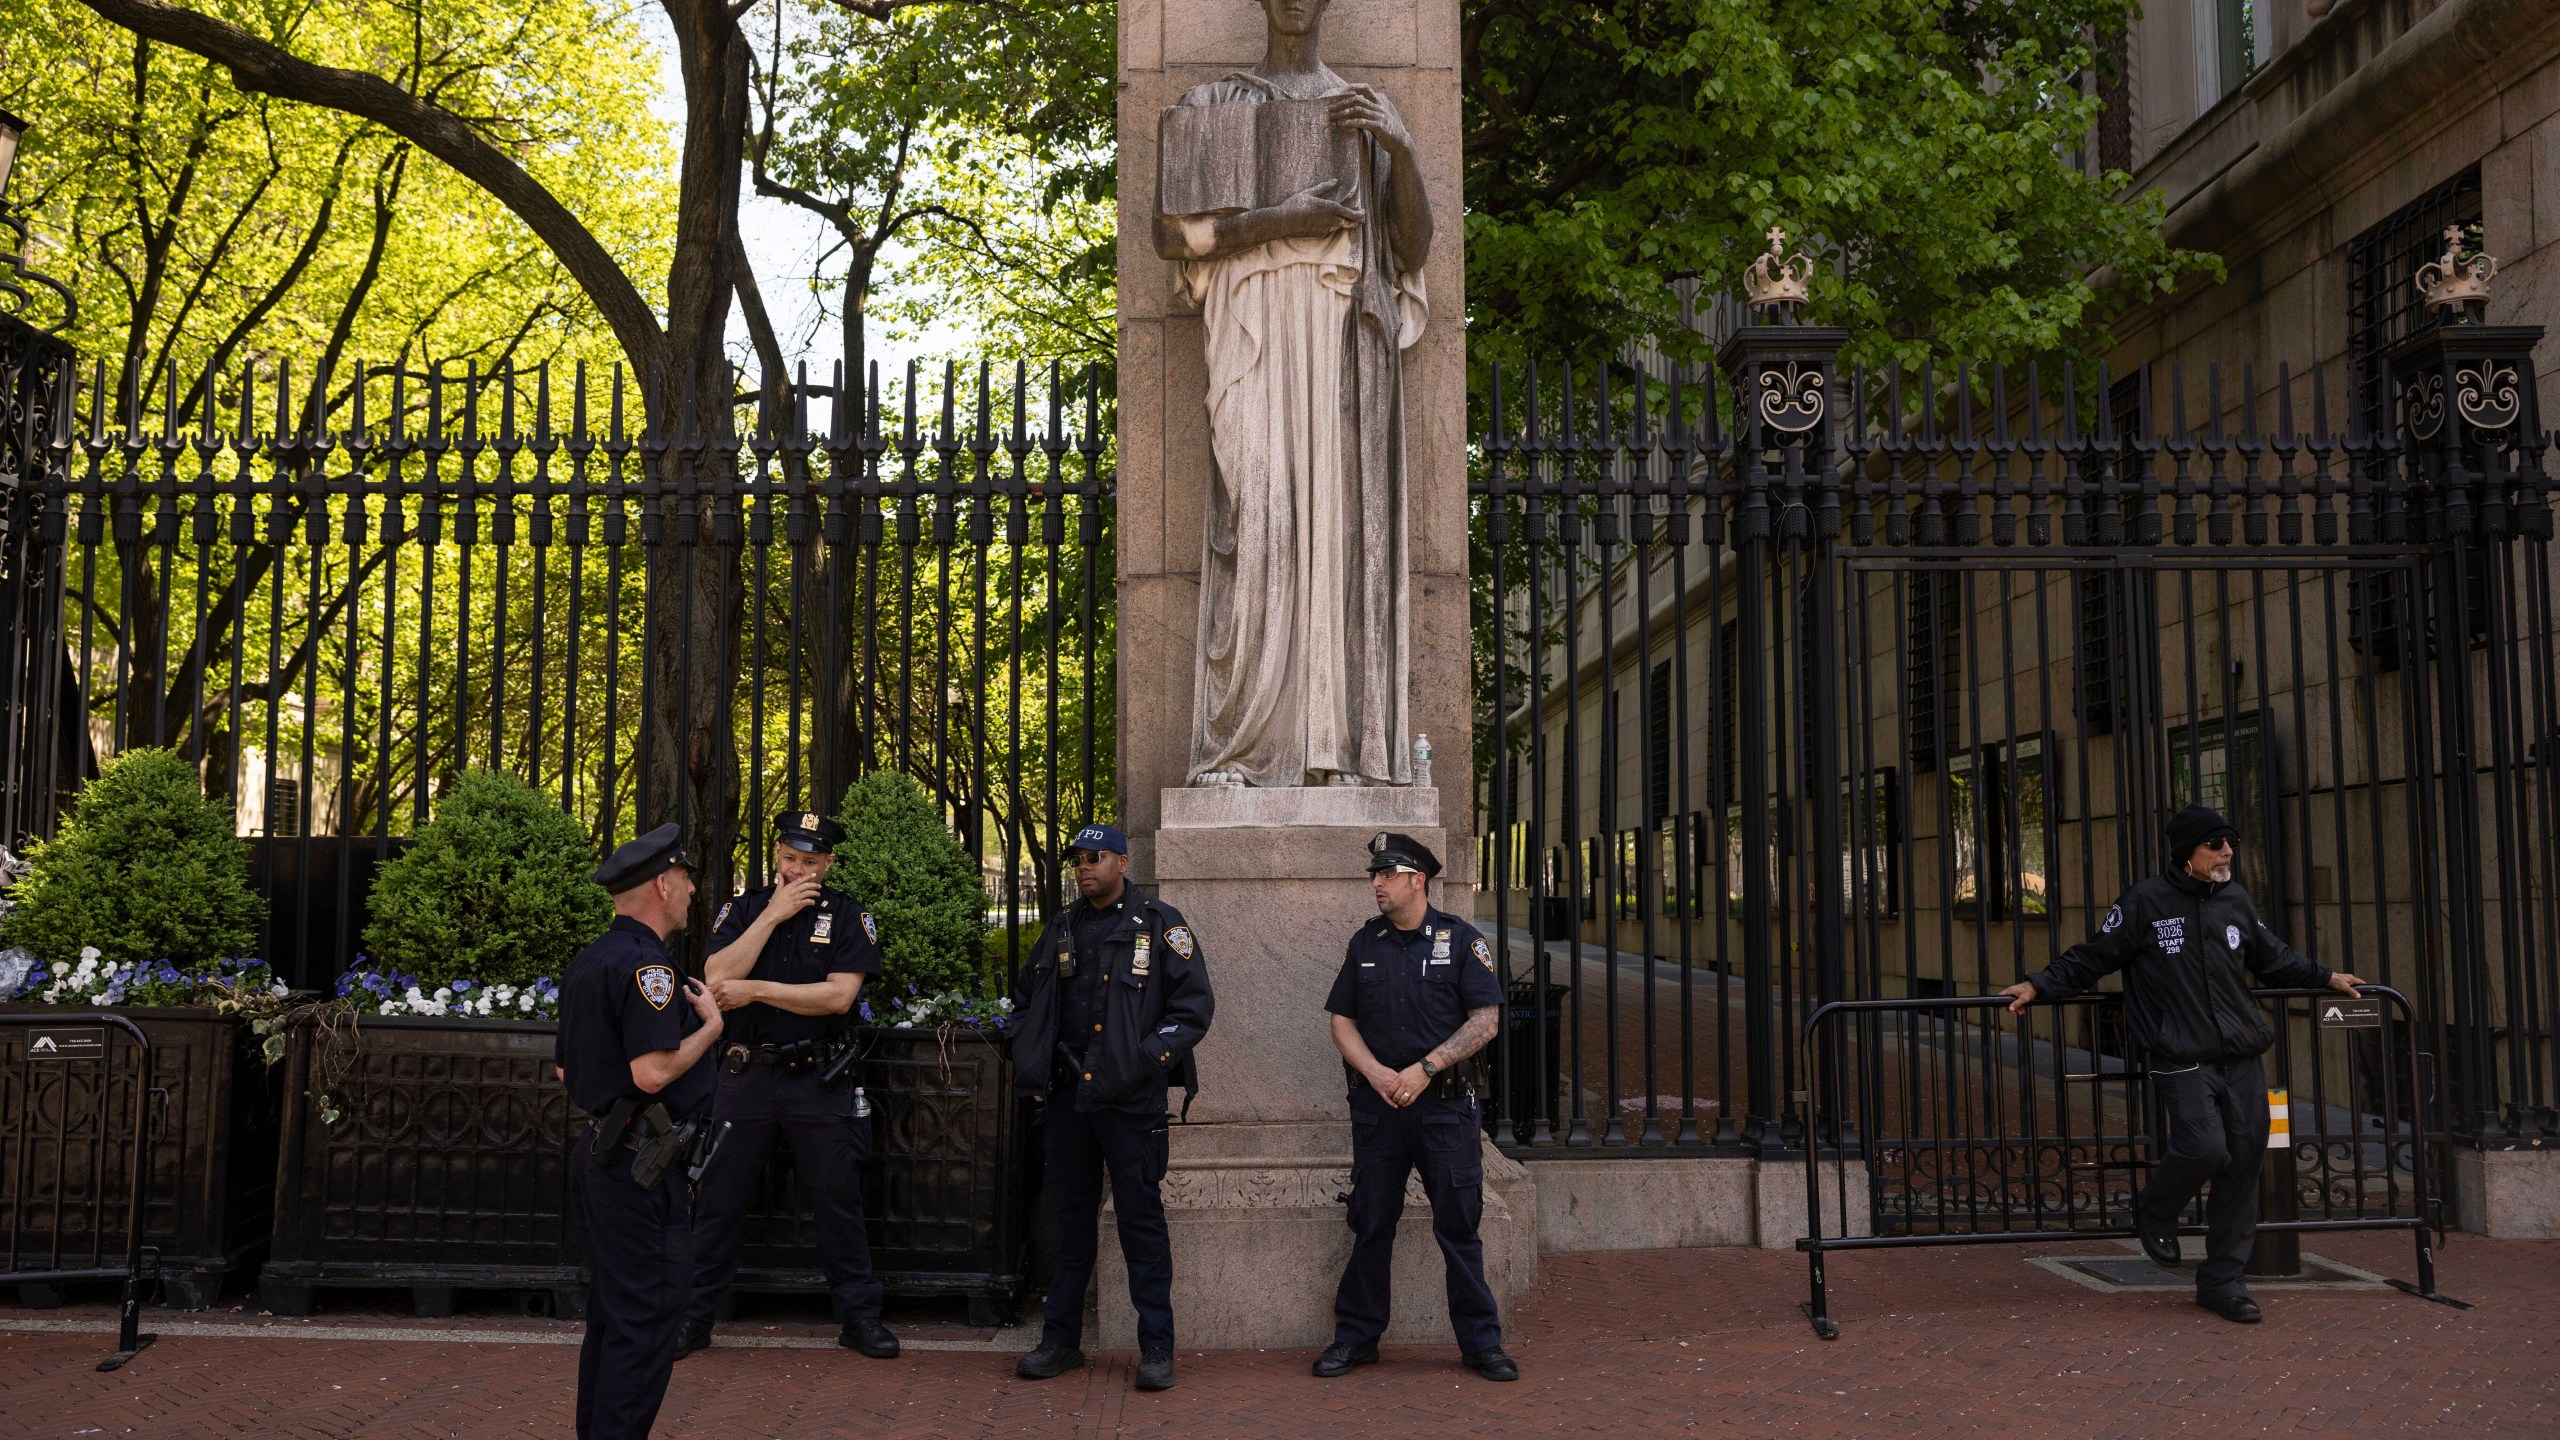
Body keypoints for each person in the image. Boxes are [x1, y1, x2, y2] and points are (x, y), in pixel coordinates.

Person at [2001, 804, 2365, 1325]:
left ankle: (2223, 1282)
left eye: (2229, 842)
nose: (2227, 852)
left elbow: (2272, 955)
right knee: (2204, 1145)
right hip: (2178, 1052)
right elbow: (2095, 955)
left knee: (2244, 1158)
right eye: (2215, 844)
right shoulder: (2146, 901)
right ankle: (2156, 1206)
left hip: (2239, 1052)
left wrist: (2325, 976)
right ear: (2186, 853)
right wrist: (2040, 983)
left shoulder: (2236, 900)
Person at [680, 811, 898, 1361]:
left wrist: (754, 991)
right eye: (789, 858)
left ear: (827, 864)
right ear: (777, 854)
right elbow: (715, 976)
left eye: (809, 861)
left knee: (837, 1200)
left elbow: (837, 998)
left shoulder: (849, 916)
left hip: (816, 1080)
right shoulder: (745, 908)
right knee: (717, 1202)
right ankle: (693, 1318)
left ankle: (859, 1318)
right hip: (744, 1074)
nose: (797, 869)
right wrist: (771, 918)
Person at [1006, 823, 1215, 1392]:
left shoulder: (1160, 924)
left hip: (1131, 1102)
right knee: (1070, 1223)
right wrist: (1030, 1049)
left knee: (1140, 1225)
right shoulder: (1062, 927)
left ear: (1122, 861)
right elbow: (1026, 998)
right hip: (1069, 1099)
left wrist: (1146, 1059)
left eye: (1094, 857)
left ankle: (1156, 1348)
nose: (1083, 866)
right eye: (1077, 858)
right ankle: (1061, 1341)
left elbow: (1194, 1006)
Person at [1311, 832, 1516, 1382]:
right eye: (1374, 875)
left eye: (1386, 873)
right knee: (1371, 1222)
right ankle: (1357, 1338)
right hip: (1379, 1110)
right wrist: (1376, 1073)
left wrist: (1425, 1069)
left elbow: (1486, 1021)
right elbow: (1341, 1020)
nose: (1376, 883)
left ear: (1416, 880)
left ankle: (1481, 1344)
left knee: (1458, 1226)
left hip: (1445, 1111)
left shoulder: (1461, 939)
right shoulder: (1365, 944)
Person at [556, 823, 722, 1439]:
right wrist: (709, 1028)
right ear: (661, 882)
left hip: (606, 1156)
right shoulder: (649, 967)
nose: (690, 889)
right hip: (640, 1167)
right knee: (648, 1316)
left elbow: (566, 1067)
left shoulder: (592, 958)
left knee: (616, 1314)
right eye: (684, 878)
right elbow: (652, 1071)